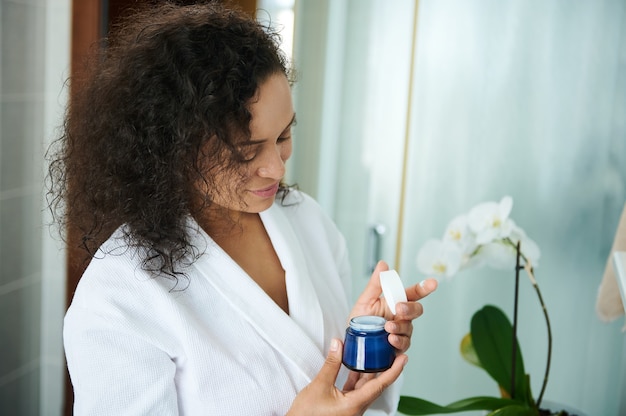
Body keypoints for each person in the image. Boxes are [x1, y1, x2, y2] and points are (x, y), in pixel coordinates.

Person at [47, 2, 437, 415]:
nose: (276, 166)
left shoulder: (305, 218)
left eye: (284, 134)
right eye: (245, 152)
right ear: (174, 149)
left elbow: (332, 390)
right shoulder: (120, 294)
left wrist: (364, 350)